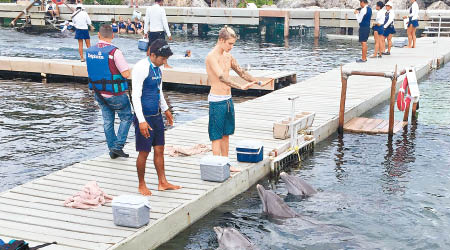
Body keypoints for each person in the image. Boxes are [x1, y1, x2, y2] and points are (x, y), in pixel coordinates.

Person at [205, 26, 263, 172]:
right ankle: (218, 168)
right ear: (221, 40)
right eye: (230, 44)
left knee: (226, 134)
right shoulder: (211, 57)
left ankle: (226, 164)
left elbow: (241, 72)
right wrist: (240, 87)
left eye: (233, 44)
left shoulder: (228, 57)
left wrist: (255, 80)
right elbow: (221, 77)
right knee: (216, 136)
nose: (231, 47)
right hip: (217, 100)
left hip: (228, 100)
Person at [131, 39, 181, 196]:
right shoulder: (141, 68)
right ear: (152, 55)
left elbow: (159, 91)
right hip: (144, 116)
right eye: (163, 58)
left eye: (167, 59)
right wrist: (141, 121)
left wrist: (166, 110)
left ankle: (162, 182)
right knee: (144, 152)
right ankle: (141, 184)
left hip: (156, 115)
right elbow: (135, 96)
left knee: (159, 149)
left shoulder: (159, 68)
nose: (165, 61)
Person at [85, 25, 133, 159]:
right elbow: (126, 74)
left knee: (107, 121)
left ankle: (113, 151)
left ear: (98, 36)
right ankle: (117, 147)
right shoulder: (115, 52)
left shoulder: (89, 51)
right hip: (115, 94)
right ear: (113, 36)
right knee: (127, 117)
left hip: (99, 93)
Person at [144, 0, 172, 68]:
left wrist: (145, 32)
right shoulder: (161, 9)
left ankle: (148, 63)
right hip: (160, 32)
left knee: (150, 48)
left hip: (152, 32)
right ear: (161, 1)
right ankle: (165, 64)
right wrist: (169, 34)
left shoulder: (149, 9)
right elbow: (164, 22)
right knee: (164, 49)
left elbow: (146, 21)